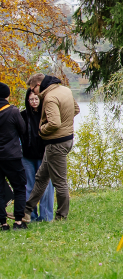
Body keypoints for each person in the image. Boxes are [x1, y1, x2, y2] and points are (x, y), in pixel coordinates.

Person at [26, 73, 78, 220]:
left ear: (38, 85)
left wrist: (42, 129)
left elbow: (54, 123)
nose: (34, 92)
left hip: (56, 143)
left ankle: (61, 216)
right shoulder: (65, 90)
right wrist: (66, 126)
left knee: (59, 182)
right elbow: (76, 109)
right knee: (41, 177)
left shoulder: (49, 98)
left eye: (33, 89)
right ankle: (26, 211)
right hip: (66, 139)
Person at [20, 75, 53, 222]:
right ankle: (30, 215)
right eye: (31, 99)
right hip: (27, 156)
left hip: (44, 154)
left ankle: (46, 216)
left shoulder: (46, 114)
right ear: (28, 100)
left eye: (36, 99)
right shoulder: (22, 115)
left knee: (46, 187)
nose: (34, 102)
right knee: (29, 186)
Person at [0, 82, 28, 230]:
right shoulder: (12, 111)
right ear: (7, 95)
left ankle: (3, 223)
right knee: (19, 187)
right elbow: (22, 129)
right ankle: (18, 221)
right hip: (11, 156)